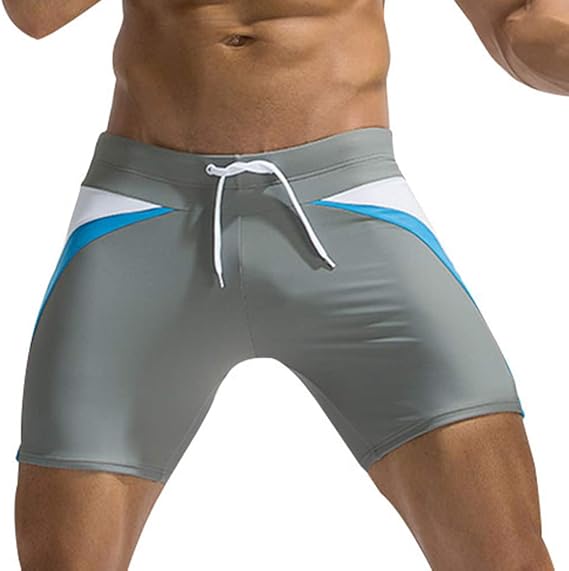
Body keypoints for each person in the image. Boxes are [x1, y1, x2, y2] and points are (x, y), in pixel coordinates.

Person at [4, 0, 564, 569]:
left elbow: (518, 23)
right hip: (144, 218)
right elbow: (35, 14)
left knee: (504, 556)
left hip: (348, 213)